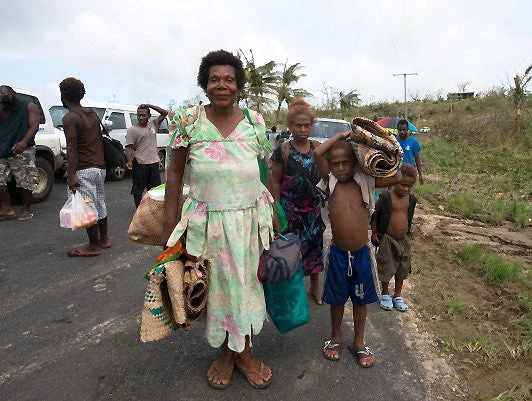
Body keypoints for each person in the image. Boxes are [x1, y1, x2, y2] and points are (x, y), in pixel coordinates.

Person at [162, 50, 276, 389]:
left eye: (229, 79)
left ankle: (245, 351)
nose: (221, 85)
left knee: (247, 287)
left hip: (250, 221)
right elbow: (174, 174)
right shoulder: (186, 121)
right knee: (217, 289)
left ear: (238, 85)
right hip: (207, 224)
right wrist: (170, 227)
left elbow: (263, 169)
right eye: (214, 79)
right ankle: (228, 354)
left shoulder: (255, 121)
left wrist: (276, 214)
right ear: (204, 84)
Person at [314, 131, 401, 367]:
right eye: (336, 164)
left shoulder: (366, 181)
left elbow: (397, 175)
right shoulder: (330, 181)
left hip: (362, 254)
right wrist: (343, 135)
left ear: (355, 163)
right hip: (339, 254)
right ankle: (335, 337)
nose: (341, 168)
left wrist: (380, 150)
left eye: (346, 163)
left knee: (361, 301)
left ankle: (359, 343)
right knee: (337, 299)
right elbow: (318, 152)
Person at [270, 97, 325, 304]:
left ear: (311, 126)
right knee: (290, 252)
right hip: (290, 212)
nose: (303, 129)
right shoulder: (283, 151)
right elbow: (275, 181)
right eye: (298, 125)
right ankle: (292, 293)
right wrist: (276, 209)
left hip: (312, 212)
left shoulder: (318, 148)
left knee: (315, 249)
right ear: (290, 126)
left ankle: (315, 287)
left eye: (307, 125)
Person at [59, 77, 110, 257]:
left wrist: (71, 175)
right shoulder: (92, 114)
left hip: (83, 169)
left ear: (63, 96)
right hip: (99, 167)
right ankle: (104, 239)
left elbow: (72, 148)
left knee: (87, 206)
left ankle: (94, 245)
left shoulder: (70, 118)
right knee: (100, 203)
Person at [371, 164, 417, 312]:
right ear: (394, 181)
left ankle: (397, 295)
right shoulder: (386, 197)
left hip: (404, 239)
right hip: (387, 239)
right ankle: (385, 293)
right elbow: (374, 214)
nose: (406, 189)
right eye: (403, 184)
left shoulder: (411, 199)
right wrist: (374, 233)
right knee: (386, 266)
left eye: (409, 186)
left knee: (402, 267)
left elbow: (408, 217)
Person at [0, 85, 39, 221]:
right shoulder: (2, 108)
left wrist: (24, 142)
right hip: (3, 148)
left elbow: (34, 126)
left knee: (25, 182)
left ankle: (26, 209)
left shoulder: (28, 106)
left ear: (14, 94)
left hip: (22, 148)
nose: (4, 98)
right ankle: (7, 208)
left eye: (5, 95)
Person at [125, 103, 168, 208]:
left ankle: (154, 210)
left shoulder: (153, 124)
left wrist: (150, 106)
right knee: (137, 191)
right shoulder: (132, 130)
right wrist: (129, 161)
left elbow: (165, 113)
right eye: (138, 115)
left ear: (148, 116)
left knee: (155, 191)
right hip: (140, 163)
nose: (140, 117)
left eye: (143, 115)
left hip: (153, 163)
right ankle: (139, 211)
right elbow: (129, 147)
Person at [396, 119, 423, 185]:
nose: (402, 132)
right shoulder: (394, 142)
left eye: (404, 130)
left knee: (410, 194)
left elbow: (417, 158)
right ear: (397, 129)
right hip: (397, 174)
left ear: (408, 129)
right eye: (400, 130)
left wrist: (420, 174)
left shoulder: (413, 142)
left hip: (410, 174)